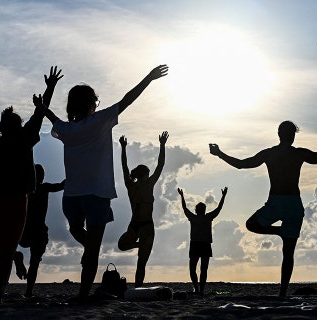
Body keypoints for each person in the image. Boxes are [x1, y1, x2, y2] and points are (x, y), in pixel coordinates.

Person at [32, 64, 168, 299]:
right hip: (96, 195)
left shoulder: (66, 129)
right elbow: (127, 100)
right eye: (95, 101)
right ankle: (83, 294)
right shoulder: (100, 121)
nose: (97, 104)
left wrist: (45, 100)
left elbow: (51, 116)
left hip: (72, 196)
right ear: (90, 104)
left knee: (75, 228)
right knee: (93, 251)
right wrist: (148, 78)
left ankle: (87, 256)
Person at [209, 121, 317, 297]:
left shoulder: (272, 153)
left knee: (256, 228)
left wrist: (219, 154)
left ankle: (282, 285)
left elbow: (241, 164)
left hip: (278, 202)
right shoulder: (296, 153)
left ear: (279, 134)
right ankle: (282, 291)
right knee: (287, 252)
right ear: (292, 136)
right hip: (292, 203)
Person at [0, 66, 62, 303]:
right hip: (11, 200)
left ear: (2, 128)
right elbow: (39, 113)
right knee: (5, 252)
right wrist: (50, 87)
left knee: (3, 249)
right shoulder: (23, 137)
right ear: (17, 127)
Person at [117, 131, 168, 287]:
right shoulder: (133, 185)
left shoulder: (145, 184)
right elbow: (125, 167)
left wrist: (162, 145)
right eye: (147, 174)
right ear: (144, 175)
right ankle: (140, 246)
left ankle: (138, 287)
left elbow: (160, 165)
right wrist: (123, 148)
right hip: (134, 225)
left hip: (146, 225)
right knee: (122, 245)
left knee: (141, 262)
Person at [13, 164, 65, 297]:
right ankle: (29, 292)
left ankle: (16, 256)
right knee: (34, 263)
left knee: (13, 251)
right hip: (37, 231)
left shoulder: (24, 189)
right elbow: (61, 185)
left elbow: (61, 185)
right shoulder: (43, 187)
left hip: (26, 231)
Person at [178, 187, 228, 295]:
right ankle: (200, 290)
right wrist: (223, 196)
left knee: (193, 269)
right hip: (204, 245)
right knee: (203, 269)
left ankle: (197, 288)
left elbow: (184, 207)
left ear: (196, 210)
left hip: (196, 244)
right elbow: (219, 208)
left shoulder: (193, 217)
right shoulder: (208, 217)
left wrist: (182, 196)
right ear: (204, 210)